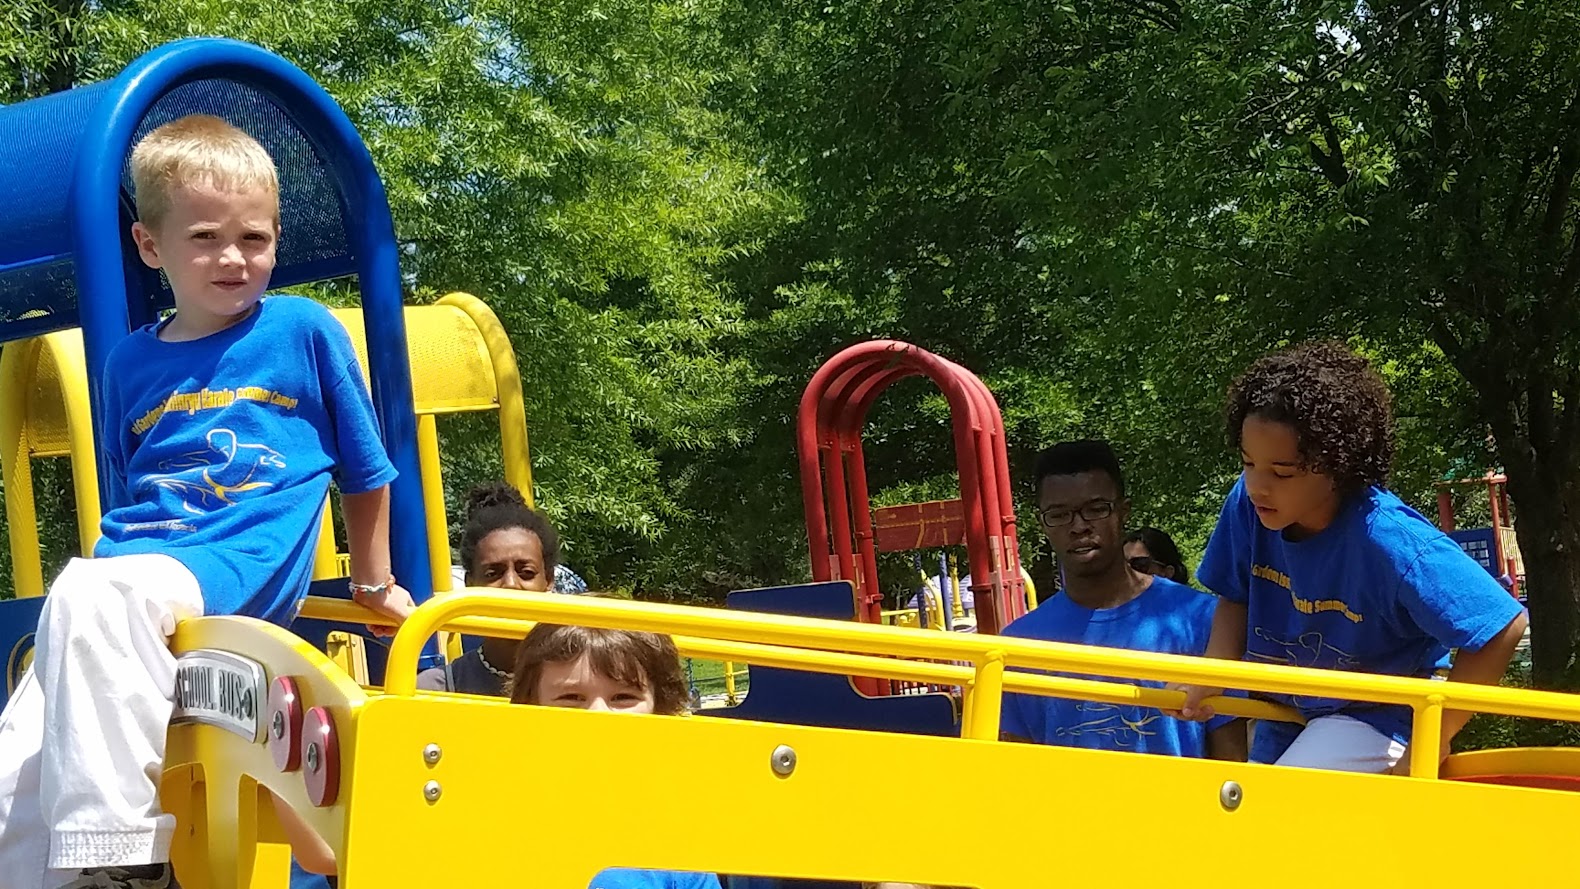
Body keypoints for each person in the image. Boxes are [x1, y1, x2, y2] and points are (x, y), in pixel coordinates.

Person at [0, 114, 415, 889]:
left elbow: (365, 466)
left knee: (88, 588)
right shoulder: (130, 361)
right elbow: (129, 491)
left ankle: (122, 863)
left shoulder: (300, 329)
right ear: (151, 246)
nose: (234, 257)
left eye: (254, 238)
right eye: (205, 238)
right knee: (13, 783)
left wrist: (371, 578)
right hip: (133, 581)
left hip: (236, 559)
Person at [1173, 341, 1529, 773]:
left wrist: (1430, 742)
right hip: (1291, 703)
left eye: (1281, 472)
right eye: (1248, 463)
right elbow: (1236, 593)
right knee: (1256, 818)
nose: (1257, 486)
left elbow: (1502, 624)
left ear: (1338, 465)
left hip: (1377, 714)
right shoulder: (1248, 507)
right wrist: (1213, 668)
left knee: (1275, 812)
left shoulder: (1391, 541)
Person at [999, 441, 1245, 760]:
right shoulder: (1019, 644)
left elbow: (1232, 762)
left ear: (1123, 512)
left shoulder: (1203, 619)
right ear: (1042, 523)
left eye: (1096, 509)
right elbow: (1018, 772)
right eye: (1059, 514)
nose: (1079, 526)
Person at [510, 623, 720, 889]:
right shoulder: (504, 815)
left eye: (623, 697)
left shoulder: (675, 832)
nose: (599, 715)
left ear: (659, 709)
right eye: (572, 697)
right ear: (531, 707)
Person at [418, 482, 567, 695]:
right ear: (470, 584)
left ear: (549, 580)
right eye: (492, 574)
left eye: (526, 572)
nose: (510, 584)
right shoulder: (438, 690)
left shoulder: (586, 681)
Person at [1123, 527, 1191, 585]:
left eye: (1139, 565)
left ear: (1168, 572)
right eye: (1122, 566)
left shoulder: (1193, 599)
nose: (1127, 573)